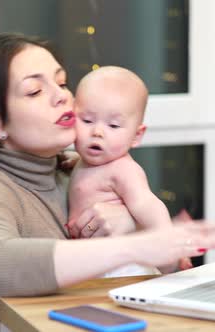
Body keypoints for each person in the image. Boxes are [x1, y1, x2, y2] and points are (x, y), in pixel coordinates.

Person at [0, 33, 215, 331]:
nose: (60, 96)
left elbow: (164, 264)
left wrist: (133, 229)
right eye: (34, 91)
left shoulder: (77, 170)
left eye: (60, 83)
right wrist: (133, 246)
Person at [67, 66, 193, 276]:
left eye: (114, 125)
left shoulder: (123, 169)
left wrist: (170, 245)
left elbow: (148, 205)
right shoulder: (82, 161)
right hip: (94, 264)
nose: (97, 132)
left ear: (136, 135)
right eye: (87, 120)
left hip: (123, 269)